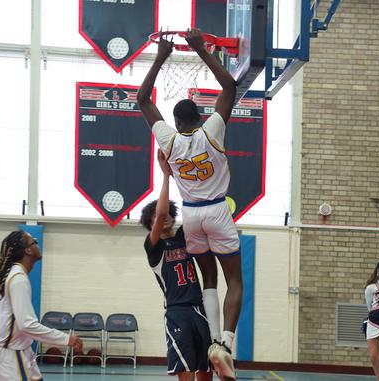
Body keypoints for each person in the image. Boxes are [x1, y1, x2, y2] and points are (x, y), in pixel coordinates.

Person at [138, 28, 239, 381]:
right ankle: (223, 342)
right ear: (199, 116)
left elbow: (143, 99)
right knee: (235, 282)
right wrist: (200, 50)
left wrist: (162, 56)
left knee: (208, 277)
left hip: (192, 214)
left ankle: (213, 342)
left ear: (176, 122)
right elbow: (229, 88)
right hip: (217, 209)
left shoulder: (169, 139)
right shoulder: (212, 129)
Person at [140, 150, 213, 381]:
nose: (162, 217)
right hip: (177, 311)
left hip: (199, 309)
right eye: (154, 218)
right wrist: (165, 175)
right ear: (150, 224)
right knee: (186, 370)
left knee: (207, 367)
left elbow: (195, 208)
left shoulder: (184, 235)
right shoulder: (154, 247)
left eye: (166, 213)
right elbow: (160, 214)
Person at [0, 230, 83, 381]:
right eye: (34, 242)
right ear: (28, 250)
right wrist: (65, 339)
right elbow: (27, 325)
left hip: (12, 350)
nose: (38, 244)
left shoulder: (10, 275)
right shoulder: (18, 279)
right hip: (9, 352)